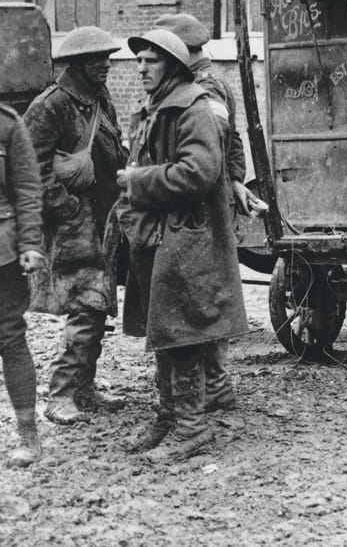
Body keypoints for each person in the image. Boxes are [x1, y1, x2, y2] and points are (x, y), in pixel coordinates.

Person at [118, 29, 249, 460]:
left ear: (172, 64)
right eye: (138, 61)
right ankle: (168, 416)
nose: (141, 68)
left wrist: (140, 182)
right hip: (157, 237)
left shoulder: (192, 108)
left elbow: (199, 172)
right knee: (164, 332)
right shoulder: (155, 108)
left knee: (185, 334)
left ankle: (192, 429)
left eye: (150, 61)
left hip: (186, 238)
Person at [155, 13, 265, 412]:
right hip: (210, 200)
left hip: (200, 207)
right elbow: (234, 144)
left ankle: (213, 386)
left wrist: (229, 181)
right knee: (206, 294)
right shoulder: (210, 85)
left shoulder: (203, 91)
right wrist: (237, 179)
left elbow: (219, 140)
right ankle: (213, 385)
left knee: (202, 297)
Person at [23, 26, 128, 425]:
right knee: (86, 306)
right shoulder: (51, 105)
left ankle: (84, 387)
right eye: (97, 58)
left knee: (96, 307)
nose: (105, 64)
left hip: (101, 221)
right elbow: (28, 170)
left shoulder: (99, 99)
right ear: (77, 64)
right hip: (72, 224)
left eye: (106, 57)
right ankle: (61, 394)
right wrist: (65, 208)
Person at [0, 106, 47, 467]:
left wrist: (30, 242)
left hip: (1, 249)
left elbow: (28, 188)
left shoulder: (7, 124)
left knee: (10, 338)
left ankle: (28, 437)